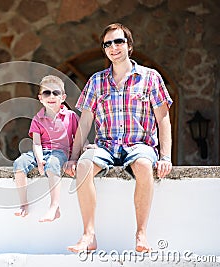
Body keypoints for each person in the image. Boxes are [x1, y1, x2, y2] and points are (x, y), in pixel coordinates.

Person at [64, 23, 173, 252]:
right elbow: (85, 123)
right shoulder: (96, 81)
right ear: (104, 49)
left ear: (129, 45)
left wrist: (165, 157)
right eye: (108, 44)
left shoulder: (150, 78)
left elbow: (163, 119)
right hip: (105, 146)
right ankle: (88, 235)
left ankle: (141, 234)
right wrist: (73, 158)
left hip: (139, 145)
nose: (113, 47)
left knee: (144, 164)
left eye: (118, 41)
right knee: (84, 165)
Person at [13, 75, 79, 222]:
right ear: (40, 98)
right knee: (19, 164)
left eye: (56, 93)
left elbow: (79, 138)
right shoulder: (38, 119)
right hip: (41, 151)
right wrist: (39, 159)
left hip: (60, 152)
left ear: (63, 97)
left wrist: (78, 155)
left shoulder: (70, 116)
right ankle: (23, 203)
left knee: (53, 164)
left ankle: (54, 207)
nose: (51, 96)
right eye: (46, 93)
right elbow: (36, 143)